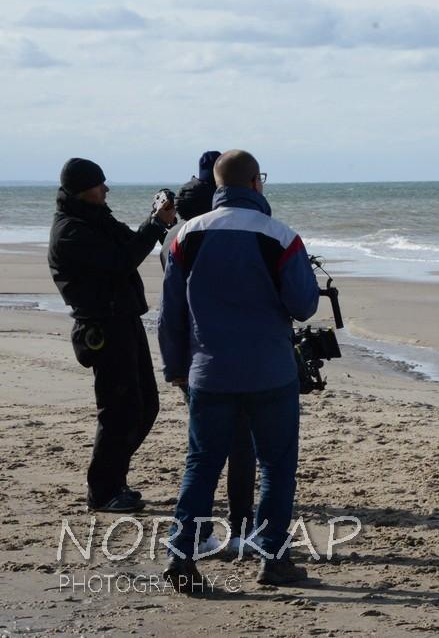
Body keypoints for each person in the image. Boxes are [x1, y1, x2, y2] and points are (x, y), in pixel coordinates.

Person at [158, 149, 320, 592]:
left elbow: (170, 312)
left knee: (202, 464)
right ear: (255, 184)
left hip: (208, 372)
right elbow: (304, 305)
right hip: (269, 371)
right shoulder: (280, 236)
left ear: (217, 185)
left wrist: (175, 367)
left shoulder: (184, 235)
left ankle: (183, 554)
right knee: (276, 465)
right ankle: (271, 557)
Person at [48, 157, 176, 512]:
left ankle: (112, 479)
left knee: (145, 405)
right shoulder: (71, 230)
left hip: (125, 321)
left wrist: (157, 220)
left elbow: (130, 245)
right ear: (81, 189)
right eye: (99, 184)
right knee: (119, 410)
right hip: (102, 327)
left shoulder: (95, 217)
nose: (106, 189)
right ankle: (103, 490)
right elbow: (122, 260)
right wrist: (154, 225)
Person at [159, 149, 257, 559]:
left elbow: (171, 315)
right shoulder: (220, 234)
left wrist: (174, 366)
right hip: (232, 362)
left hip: (196, 363)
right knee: (237, 449)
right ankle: (238, 532)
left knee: (203, 454)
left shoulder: (176, 238)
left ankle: (195, 538)